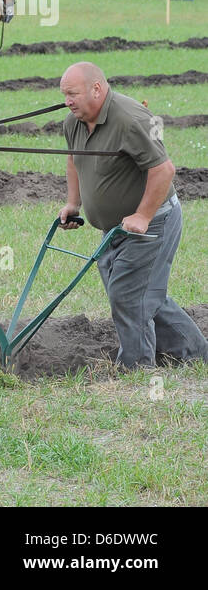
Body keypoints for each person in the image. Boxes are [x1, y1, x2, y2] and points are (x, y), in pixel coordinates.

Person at [58, 62, 207, 369]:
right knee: (144, 294)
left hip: (154, 222)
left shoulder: (130, 119)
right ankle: (195, 353)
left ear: (96, 89)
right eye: (64, 95)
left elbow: (163, 170)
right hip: (114, 229)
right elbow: (74, 159)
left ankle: (136, 369)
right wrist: (73, 203)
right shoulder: (73, 122)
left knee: (129, 295)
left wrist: (142, 214)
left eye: (72, 94)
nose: (67, 101)